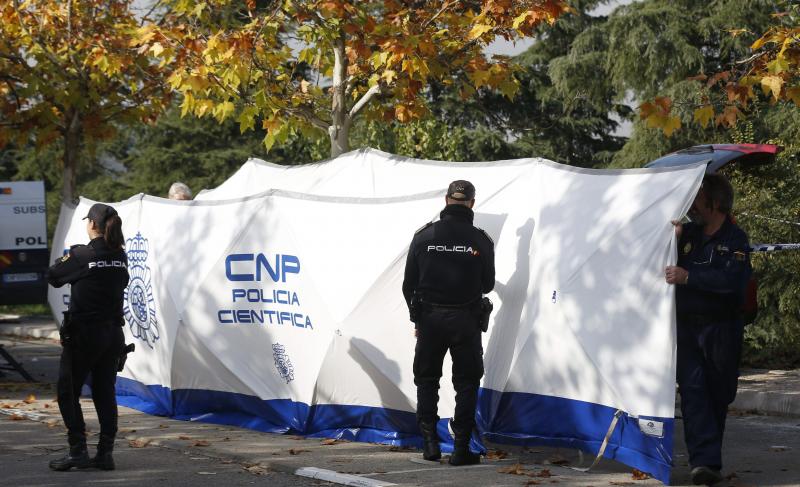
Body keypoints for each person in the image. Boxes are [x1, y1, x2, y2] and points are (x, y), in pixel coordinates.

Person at [665, 174, 751, 486]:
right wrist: (671, 236)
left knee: (718, 393)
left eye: (699, 199)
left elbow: (732, 281)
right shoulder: (689, 234)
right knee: (693, 392)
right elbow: (660, 253)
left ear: (714, 203)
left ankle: (709, 459)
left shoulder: (735, 239)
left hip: (721, 330)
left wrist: (690, 277)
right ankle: (704, 462)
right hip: (688, 328)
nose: (694, 206)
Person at [402, 180, 495, 466]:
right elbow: (488, 285)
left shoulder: (424, 236)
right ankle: (460, 449)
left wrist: (417, 318)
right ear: (472, 203)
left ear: (446, 200)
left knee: (427, 380)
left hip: (430, 320)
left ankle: (430, 444)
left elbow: (408, 285)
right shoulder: (481, 239)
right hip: (466, 321)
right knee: (467, 383)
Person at [46, 203, 130, 471]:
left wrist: (70, 258)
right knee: (105, 392)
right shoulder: (120, 255)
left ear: (92, 224)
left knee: (67, 392)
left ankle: (78, 451)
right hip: (113, 335)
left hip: (85, 336)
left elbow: (53, 276)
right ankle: (105, 454)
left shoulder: (83, 254)